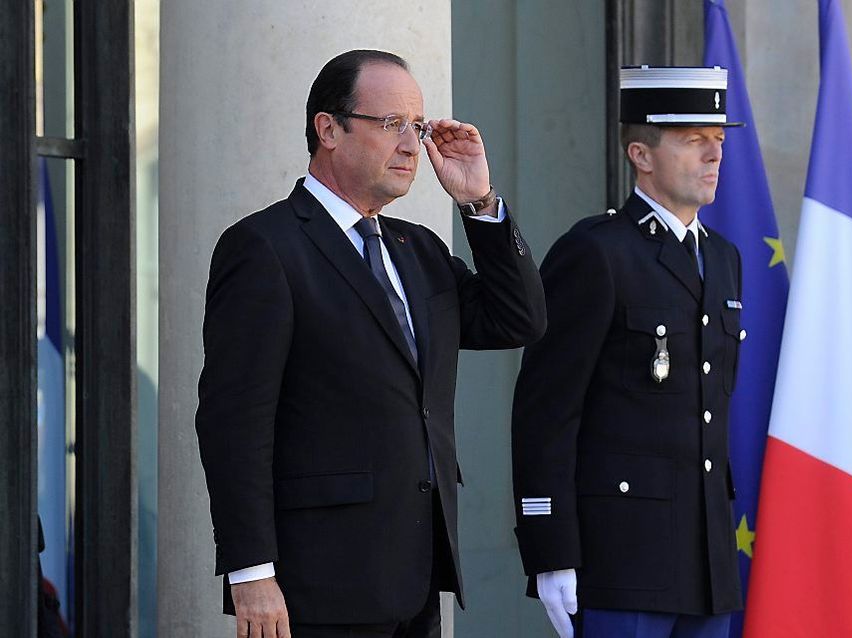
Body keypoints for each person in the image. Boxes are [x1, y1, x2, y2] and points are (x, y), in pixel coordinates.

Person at [195, 49, 546, 638]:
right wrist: (250, 572)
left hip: (416, 578)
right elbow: (234, 423)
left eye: (419, 126)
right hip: (316, 584)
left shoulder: (420, 248)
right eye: (391, 125)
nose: (412, 145)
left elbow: (519, 320)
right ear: (328, 129)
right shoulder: (265, 248)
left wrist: (478, 203)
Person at [511, 66, 746, 638]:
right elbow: (547, 411)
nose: (714, 154)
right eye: (695, 141)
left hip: (706, 558)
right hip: (621, 556)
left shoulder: (723, 259)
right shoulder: (596, 252)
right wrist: (550, 548)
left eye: (718, 140)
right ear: (641, 153)